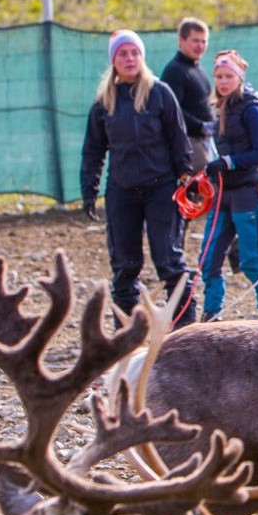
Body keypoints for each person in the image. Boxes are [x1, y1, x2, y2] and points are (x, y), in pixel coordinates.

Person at [79, 29, 198, 327]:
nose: (130, 58)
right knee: (124, 265)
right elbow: (93, 150)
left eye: (134, 53)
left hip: (162, 188)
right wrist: (89, 190)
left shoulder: (159, 93)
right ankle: (125, 334)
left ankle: (185, 328)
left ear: (142, 57)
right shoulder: (104, 103)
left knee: (169, 260)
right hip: (122, 190)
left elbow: (178, 137)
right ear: (114, 60)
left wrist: (186, 176)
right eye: (123, 54)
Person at [198, 50, 258, 321]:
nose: (223, 82)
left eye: (228, 76)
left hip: (247, 192)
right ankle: (212, 313)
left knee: (251, 260)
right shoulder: (219, 108)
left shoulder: (252, 108)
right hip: (223, 193)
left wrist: (229, 162)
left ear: (239, 77)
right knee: (209, 258)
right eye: (219, 77)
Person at [160, 17, 217, 173]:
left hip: (205, 141)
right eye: (195, 41)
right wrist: (200, 126)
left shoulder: (198, 70)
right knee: (201, 185)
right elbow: (172, 110)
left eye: (204, 41)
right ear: (181, 41)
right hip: (188, 143)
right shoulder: (175, 71)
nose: (200, 46)